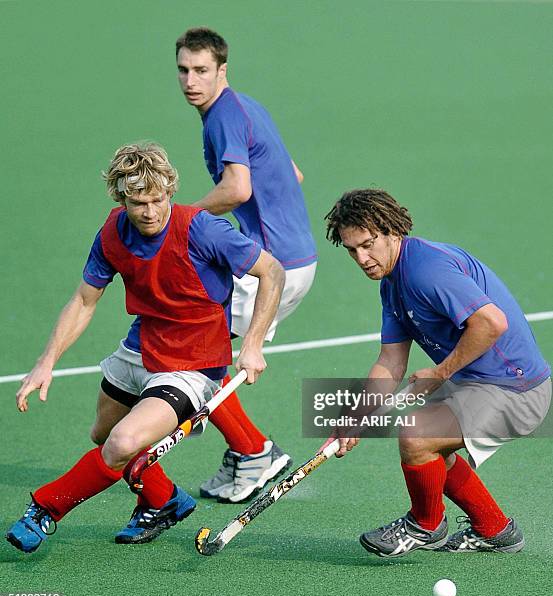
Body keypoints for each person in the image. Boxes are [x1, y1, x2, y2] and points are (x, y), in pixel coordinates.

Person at [6, 142, 284, 554]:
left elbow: (272, 271)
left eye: (158, 199)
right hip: (139, 347)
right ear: (121, 197)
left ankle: (44, 509)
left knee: (121, 444)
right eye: (139, 202)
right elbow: (84, 300)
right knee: (103, 435)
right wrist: (46, 361)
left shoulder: (202, 228)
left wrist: (254, 344)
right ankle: (164, 499)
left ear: (170, 191)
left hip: (192, 364)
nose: (150, 211)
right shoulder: (112, 231)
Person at [321, 188, 551, 558]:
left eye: (367, 245)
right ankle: (495, 530)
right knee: (429, 447)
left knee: (417, 436)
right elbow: (391, 362)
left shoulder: (425, 270)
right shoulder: (392, 285)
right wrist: (356, 416)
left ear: (390, 231)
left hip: (516, 388)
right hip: (478, 382)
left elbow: (491, 323)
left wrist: (440, 372)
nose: (362, 258)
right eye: (352, 250)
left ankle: (425, 526)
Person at [174, 27, 318, 503]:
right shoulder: (246, 107)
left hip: (270, 267)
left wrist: (184, 219)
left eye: (201, 70)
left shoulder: (221, 118)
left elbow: (238, 189)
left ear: (221, 71)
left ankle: (253, 451)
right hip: (295, 258)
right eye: (183, 70)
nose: (191, 80)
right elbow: (292, 172)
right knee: (201, 351)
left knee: (197, 358)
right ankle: (244, 452)